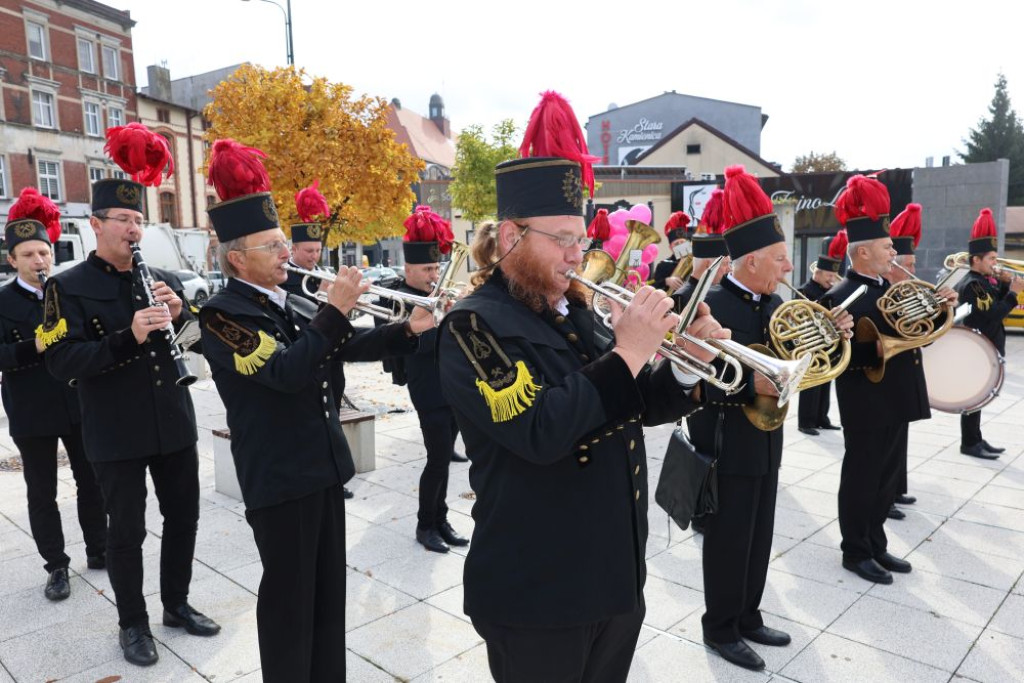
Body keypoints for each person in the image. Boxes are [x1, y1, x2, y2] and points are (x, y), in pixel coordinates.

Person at [437, 90, 726, 683]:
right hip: (537, 592)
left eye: (582, 239)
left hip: (612, 574)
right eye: (563, 238)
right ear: (512, 236)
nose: (578, 254)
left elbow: (628, 405)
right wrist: (630, 350)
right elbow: (540, 431)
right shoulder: (472, 325)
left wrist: (685, 365)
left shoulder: (576, 309)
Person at [198, 139, 434, 682]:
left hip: (322, 466)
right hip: (280, 477)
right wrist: (335, 311)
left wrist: (407, 330)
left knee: (327, 595)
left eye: (283, 241)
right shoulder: (222, 316)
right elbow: (285, 372)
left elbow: (342, 346)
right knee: (289, 601)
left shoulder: (292, 299)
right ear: (238, 259)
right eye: (272, 246)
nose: (286, 252)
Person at [42, 123, 219, 667]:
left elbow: (195, 344)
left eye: (138, 220)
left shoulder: (161, 277)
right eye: (122, 219)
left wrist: (182, 316)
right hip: (115, 429)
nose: (133, 229)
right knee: (126, 531)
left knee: (184, 518)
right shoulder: (66, 286)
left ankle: (176, 604)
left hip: (172, 418)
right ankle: (132, 623)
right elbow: (61, 362)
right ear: (95, 225)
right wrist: (128, 336)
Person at [689, 165, 852, 672]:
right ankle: (719, 627)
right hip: (726, 440)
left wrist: (832, 335)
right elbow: (697, 382)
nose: (787, 267)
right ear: (753, 259)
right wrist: (748, 387)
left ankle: (748, 615)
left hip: (767, 439)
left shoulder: (775, 302)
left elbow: (798, 365)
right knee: (728, 537)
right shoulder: (711, 306)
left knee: (760, 532)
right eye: (780, 258)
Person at [822, 175, 956, 586]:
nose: (893, 252)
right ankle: (855, 550)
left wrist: (939, 310)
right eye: (886, 246)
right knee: (862, 478)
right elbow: (832, 358)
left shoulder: (891, 288)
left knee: (885, 480)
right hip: (866, 402)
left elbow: (918, 334)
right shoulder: (840, 296)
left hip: (897, 396)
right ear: (862, 252)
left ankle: (875, 542)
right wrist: (876, 349)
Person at [1, 188, 106, 601]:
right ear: (12, 260)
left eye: (43, 253)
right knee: (42, 491)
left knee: (91, 480)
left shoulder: (66, 291)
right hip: (32, 408)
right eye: (28, 255)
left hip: (77, 401)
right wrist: (36, 346)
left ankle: (99, 548)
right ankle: (57, 566)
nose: (38, 261)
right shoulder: (2, 301)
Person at [377, 205, 470, 553]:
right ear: (408, 269)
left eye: (435, 268)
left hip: (452, 385)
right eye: (426, 269)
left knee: (444, 458)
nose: (434, 274)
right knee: (437, 458)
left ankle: (440, 519)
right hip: (427, 387)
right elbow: (403, 344)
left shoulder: (440, 295)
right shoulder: (398, 298)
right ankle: (425, 524)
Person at [280, 183, 357, 497]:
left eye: (317, 251)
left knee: (333, 418)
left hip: (331, 359)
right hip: (305, 357)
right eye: (308, 251)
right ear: (294, 249)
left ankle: (336, 478)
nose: (314, 256)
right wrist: (323, 299)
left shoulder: (324, 273)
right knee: (312, 423)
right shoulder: (285, 278)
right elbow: (296, 317)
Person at [955, 207, 1023, 459]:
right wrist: (1014, 293)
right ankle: (969, 442)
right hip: (977, 350)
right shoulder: (973, 284)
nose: (996, 263)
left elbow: (994, 305)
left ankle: (976, 438)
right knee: (974, 397)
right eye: (992, 258)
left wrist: (1005, 285)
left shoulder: (983, 281)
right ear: (976, 260)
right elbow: (994, 314)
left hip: (984, 348)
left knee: (980, 397)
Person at [882, 204, 925, 515]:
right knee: (886, 447)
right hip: (887, 381)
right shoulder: (884, 295)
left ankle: (896, 489)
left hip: (905, 377)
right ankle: (886, 497)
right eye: (908, 264)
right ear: (892, 266)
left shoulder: (905, 292)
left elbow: (922, 336)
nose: (913, 271)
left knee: (900, 440)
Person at [796, 234, 845, 436]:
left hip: (828, 342)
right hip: (811, 343)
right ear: (818, 272)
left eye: (834, 276)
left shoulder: (831, 290)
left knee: (826, 381)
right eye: (829, 276)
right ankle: (805, 421)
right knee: (811, 384)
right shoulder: (804, 290)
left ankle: (821, 419)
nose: (832, 280)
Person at [672, 188, 731, 313]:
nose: (729, 269)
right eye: (725, 264)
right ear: (709, 265)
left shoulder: (719, 294)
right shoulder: (681, 298)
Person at [652, 210, 692, 292]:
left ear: (688, 243)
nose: (680, 246)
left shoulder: (696, 262)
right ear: (670, 248)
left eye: (682, 242)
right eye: (676, 244)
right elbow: (653, 286)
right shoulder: (663, 265)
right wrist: (666, 281)